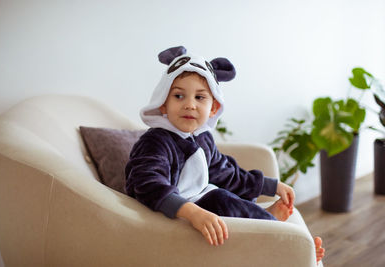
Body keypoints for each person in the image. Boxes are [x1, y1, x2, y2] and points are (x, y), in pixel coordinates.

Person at [125, 46, 324, 263]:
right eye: (179, 96)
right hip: (174, 212)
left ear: (213, 108)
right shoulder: (156, 141)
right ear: (164, 104)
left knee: (231, 199)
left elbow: (227, 174)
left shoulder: (202, 138)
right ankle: (284, 241)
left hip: (202, 199)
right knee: (223, 200)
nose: (190, 105)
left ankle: (270, 225)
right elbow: (147, 182)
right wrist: (191, 212)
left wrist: (271, 186)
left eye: (200, 97)